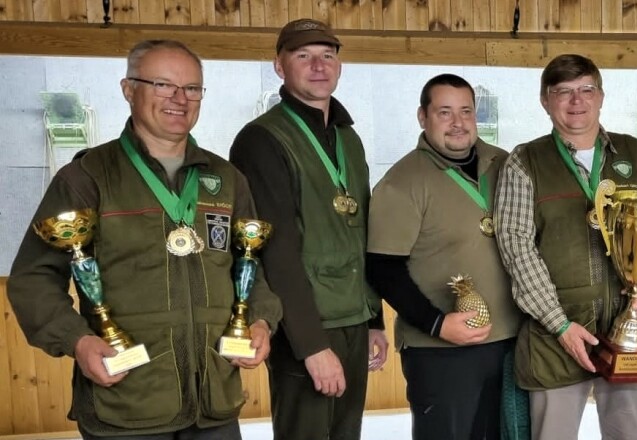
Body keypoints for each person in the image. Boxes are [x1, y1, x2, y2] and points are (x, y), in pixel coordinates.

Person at [7, 39, 282, 439]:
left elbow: (250, 267)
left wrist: (259, 320)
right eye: (162, 85)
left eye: (191, 88)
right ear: (128, 89)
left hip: (214, 405)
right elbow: (33, 279)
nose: (179, 99)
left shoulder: (226, 180)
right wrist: (78, 341)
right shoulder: (87, 178)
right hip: (125, 406)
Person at [494, 53, 637, 440]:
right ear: (545, 100)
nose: (578, 101)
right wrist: (559, 324)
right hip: (555, 336)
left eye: (587, 89)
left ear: (601, 96)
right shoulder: (526, 160)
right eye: (564, 92)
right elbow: (516, 245)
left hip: (628, 332)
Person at [228, 18, 387, 440]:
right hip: (305, 323)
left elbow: (362, 230)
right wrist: (312, 345)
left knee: (345, 433)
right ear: (280, 66)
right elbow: (274, 252)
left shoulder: (347, 137)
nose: (318, 66)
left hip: (352, 317)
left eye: (327, 56)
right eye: (303, 56)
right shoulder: (262, 139)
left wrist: (374, 318)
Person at [365, 73, 521, 440]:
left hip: (510, 341)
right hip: (439, 351)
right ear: (423, 117)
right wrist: (436, 323)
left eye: (466, 111)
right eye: (444, 112)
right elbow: (383, 268)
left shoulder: (505, 165)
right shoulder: (402, 182)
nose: (458, 123)